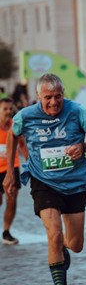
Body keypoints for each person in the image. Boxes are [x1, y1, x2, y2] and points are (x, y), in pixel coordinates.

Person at [2, 73, 86, 285]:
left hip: (74, 184)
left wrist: (83, 147)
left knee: (76, 244)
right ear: (39, 96)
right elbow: (12, 134)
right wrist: (9, 170)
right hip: (43, 183)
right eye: (48, 97)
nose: (53, 102)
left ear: (63, 94)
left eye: (57, 96)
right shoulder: (26, 116)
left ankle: (62, 249)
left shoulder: (77, 111)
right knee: (54, 234)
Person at [0, 98, 28, 245]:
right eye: (5, 109)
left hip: (12, 167)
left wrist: (31, 163)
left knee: (11, 201)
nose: (8, 112)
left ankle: (6, 232)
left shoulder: (15, 127)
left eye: (10, 109)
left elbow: (22, 145)